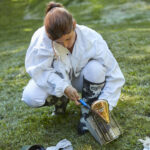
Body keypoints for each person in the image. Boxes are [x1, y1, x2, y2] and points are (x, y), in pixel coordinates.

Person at [22, 1, 125, 135]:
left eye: (68, 39)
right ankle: (61, 99)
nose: (64, 45)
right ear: (49, 36)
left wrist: (105, 104)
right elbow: (39, 71)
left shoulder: (91, 38)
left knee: (96, 69)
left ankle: (88, 114)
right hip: (57, 80)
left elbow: (115, 75)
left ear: (74, 25)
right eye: (59, 42)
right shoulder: (41, 39)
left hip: (81, 79)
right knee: (31, 97)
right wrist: (63, 87)